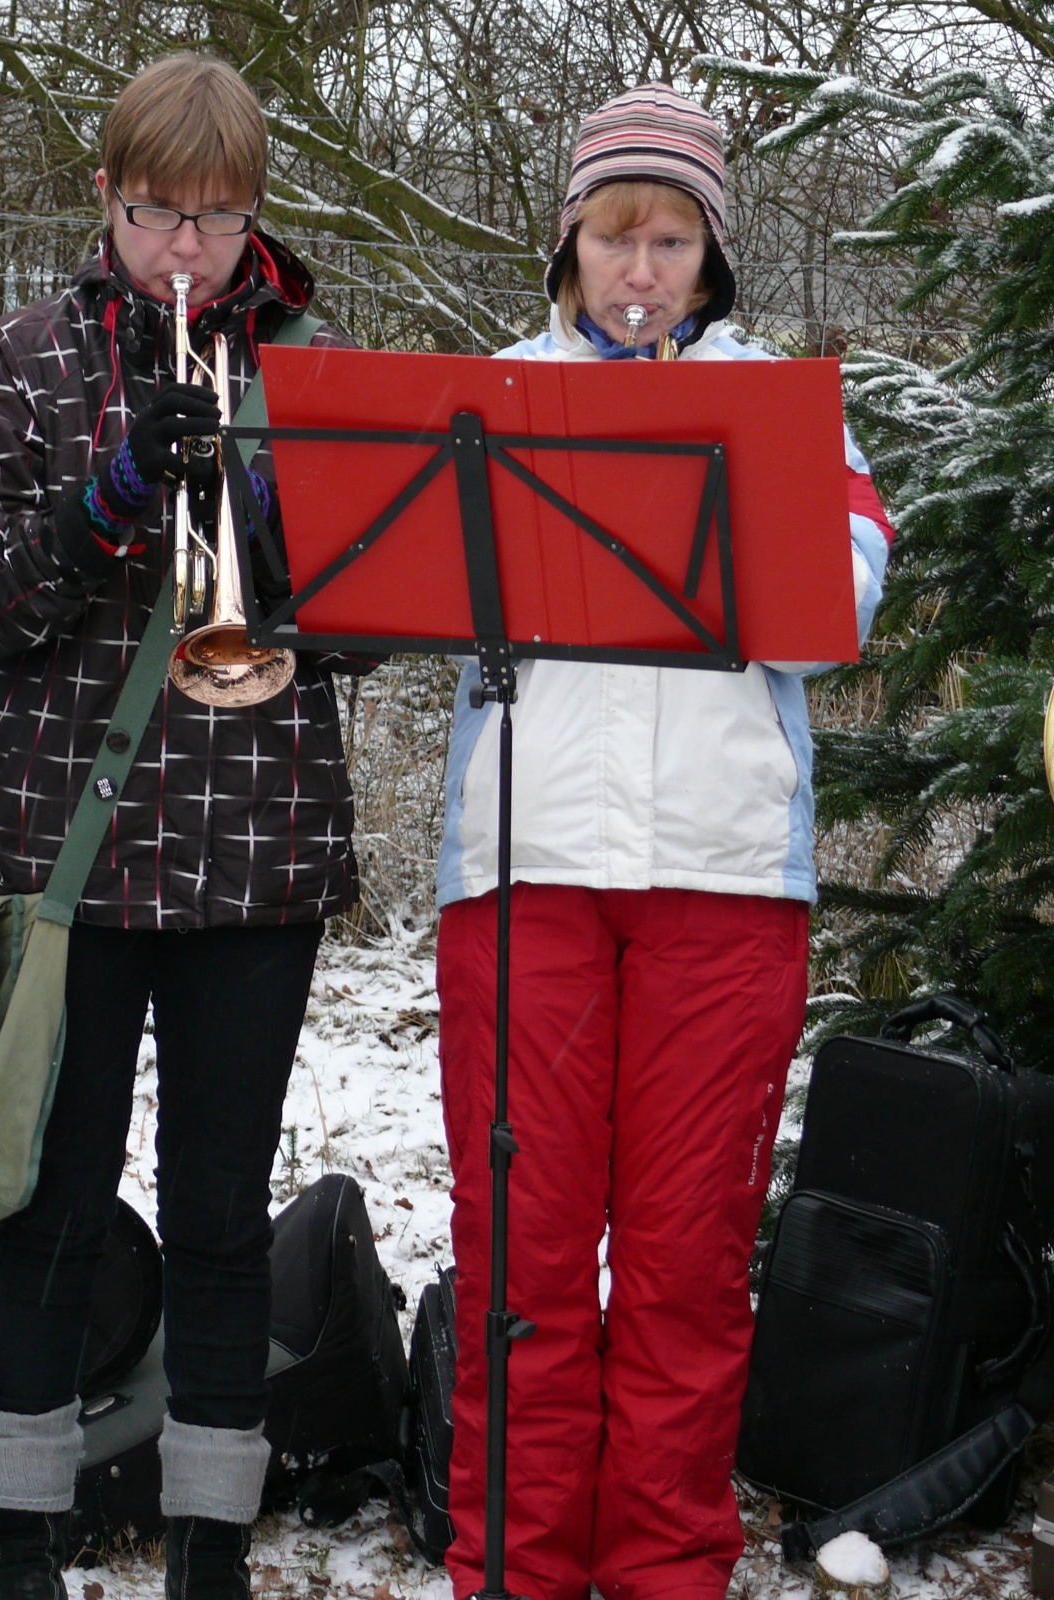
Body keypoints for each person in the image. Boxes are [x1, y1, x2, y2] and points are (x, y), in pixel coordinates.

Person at [434, 84, 895, 1600]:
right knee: (526, 1267)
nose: (643, 269)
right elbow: (411, 586)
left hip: (724, 878)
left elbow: (842, 612)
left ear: (714, 259)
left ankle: (666, 1575)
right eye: (618, 235)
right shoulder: (487, 397)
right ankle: (512, 1569)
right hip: (528, 871)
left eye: (674, 240)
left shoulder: (784, 403)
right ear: (568, 240)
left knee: (690, 1266)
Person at [0, 53, 365, 1600]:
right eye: (156, 214)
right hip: (67, 857)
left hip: (258, 852)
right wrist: (102, 501)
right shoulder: (23, 359)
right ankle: (22, 1538)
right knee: (51, 1210)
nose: (188, 250)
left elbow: (373, 626)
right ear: (105, 201)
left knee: (224, 1216)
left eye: (220, 218)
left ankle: (209, 1547)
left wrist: (285, 544)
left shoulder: (311, 369)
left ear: (257, 218)